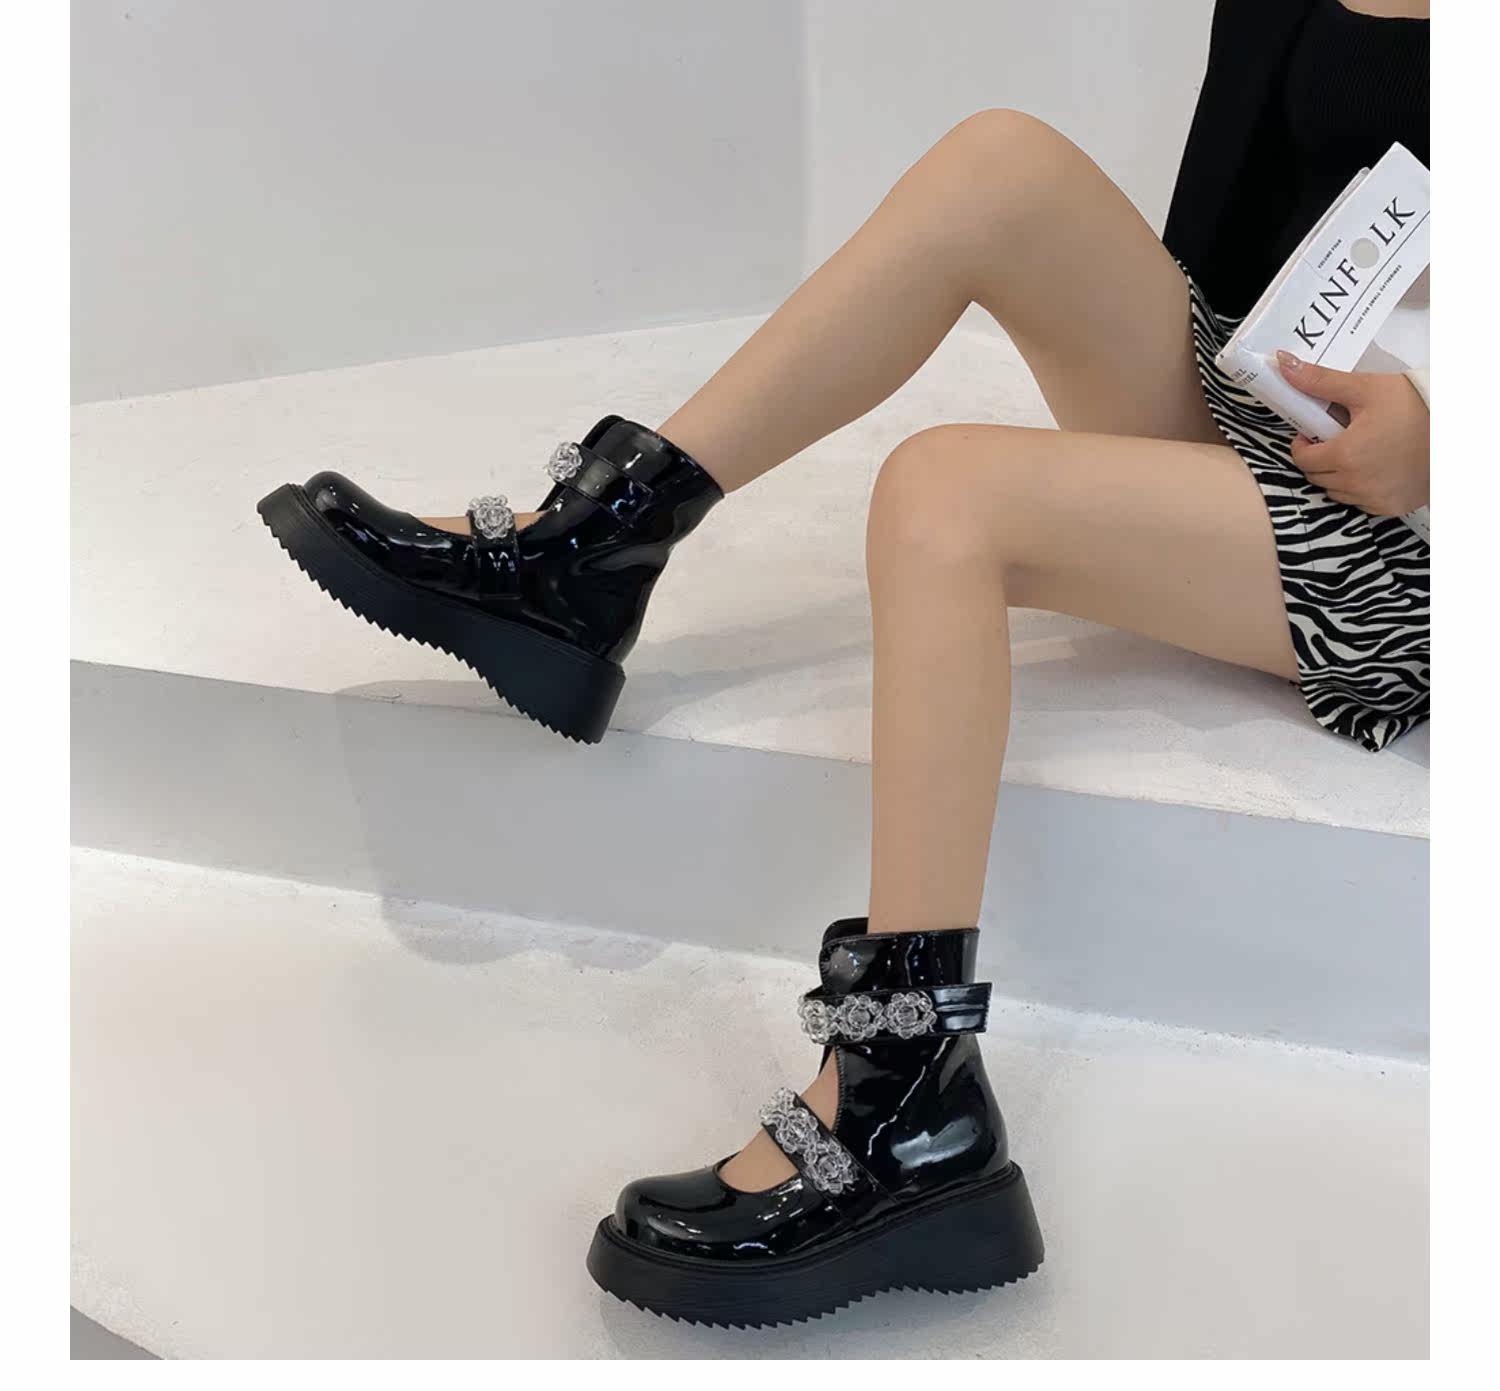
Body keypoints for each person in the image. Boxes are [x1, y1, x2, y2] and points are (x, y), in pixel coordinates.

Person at [256, 0, 1429, 1327]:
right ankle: (587, 549)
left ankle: (908, 1097)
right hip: (1301, 414)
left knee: (947, 495)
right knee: (1002, 162)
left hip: (1430, 544)